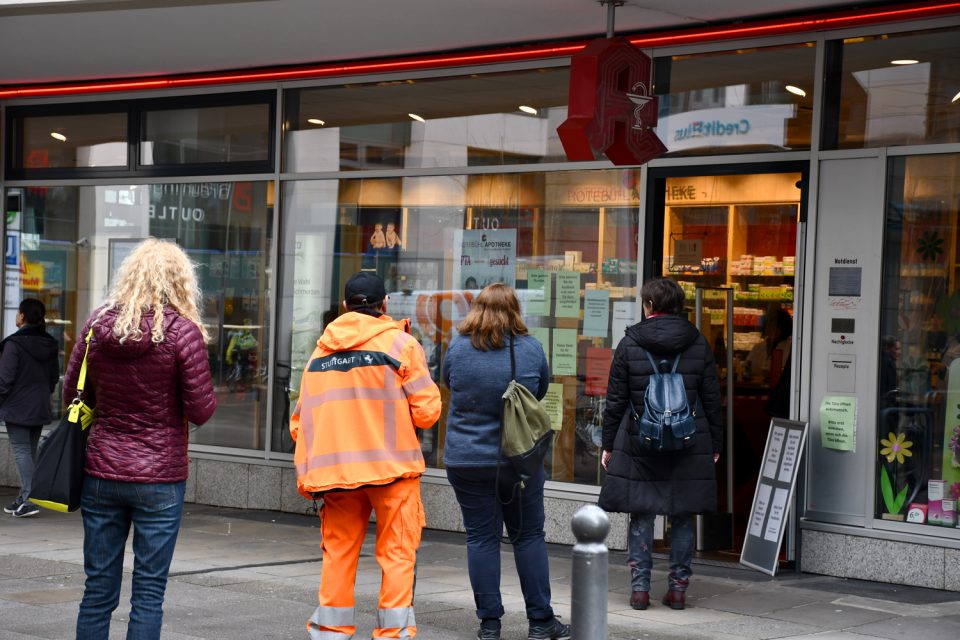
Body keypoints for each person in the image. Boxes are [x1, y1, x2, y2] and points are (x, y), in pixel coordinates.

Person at [64, 238, 217, 640]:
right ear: (180, 280)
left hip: (100, 472)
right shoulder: (183, 333)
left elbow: (71, 396)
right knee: (149, 593)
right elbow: (201, 410)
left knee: (97, 589)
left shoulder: (97, 326)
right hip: (160, 479)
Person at [291, 271, 441, 640]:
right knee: (397, 556)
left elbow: (299, 424)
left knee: (339, 554)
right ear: (385, 304)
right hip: (393, 470)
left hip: (338, 475)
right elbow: (427, 412)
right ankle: (393, 635)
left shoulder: (319, 354)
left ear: (344, 307)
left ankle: (331, 632)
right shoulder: (401, 346)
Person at [442, 283, 570, 640]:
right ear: (516, 311)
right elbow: (539, 391)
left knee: (481, 538)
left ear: (476, 309)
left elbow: (447, 382)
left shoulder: (458, 347)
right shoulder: (529, 349)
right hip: (519, 462)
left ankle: (490, 625)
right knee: (528, 536)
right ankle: (541, 622)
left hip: (467, 460)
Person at [599, 278, 723, 611]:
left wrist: (608, 444)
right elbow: (712, 399)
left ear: (649, 305)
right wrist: (716, 442)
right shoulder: (698, 343)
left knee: (642, 513)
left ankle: (640, 590)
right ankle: (678, 589)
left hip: (642, 439)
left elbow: (615, 401)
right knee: (682, 514)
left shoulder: (630, 343)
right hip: (688, 439)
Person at [0, 298, 60, 518]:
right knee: (29, 452)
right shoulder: (50, 343)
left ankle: (29, 499)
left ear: (23, 316)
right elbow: (54, 376)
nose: (16, 316)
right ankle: (24, 496)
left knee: (22, 452)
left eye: (18, 312)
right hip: (40, 405)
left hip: (17, 406)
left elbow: (4, 379)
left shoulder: (14, 344)